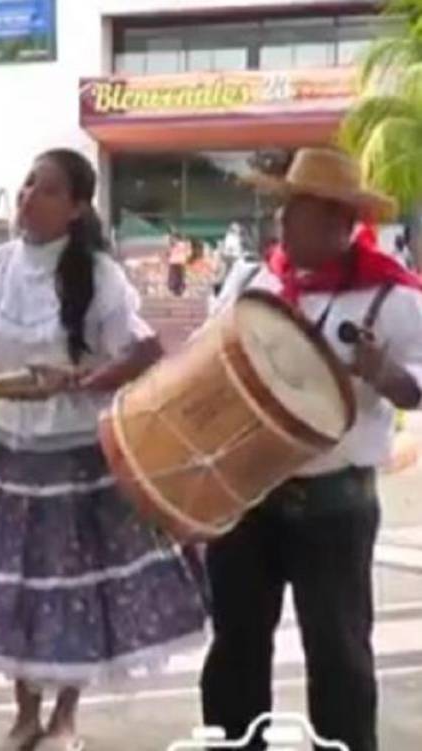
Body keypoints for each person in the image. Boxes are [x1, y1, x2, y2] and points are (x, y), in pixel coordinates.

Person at [0, 149, 208, 751]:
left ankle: (65, 721)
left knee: (71, 587)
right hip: (8, 457)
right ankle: (24, 717)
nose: (30, 197)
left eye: (48, 190)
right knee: (14, 585)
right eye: (27, 184)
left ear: (76, 207)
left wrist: (80, 381)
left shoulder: (97, 275)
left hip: (77, 456)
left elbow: (143, 351)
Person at [200, 147, 422, 751]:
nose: (280, 222)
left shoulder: (396, 299)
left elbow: (418, 388)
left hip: (333, 504)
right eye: (283, 208)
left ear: (338, 223)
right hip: (250, 497)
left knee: (340, 653)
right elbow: (210, 355)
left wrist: (383, 373)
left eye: (293, 211)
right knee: (236, 648)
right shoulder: (255, 280)